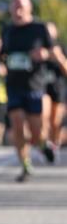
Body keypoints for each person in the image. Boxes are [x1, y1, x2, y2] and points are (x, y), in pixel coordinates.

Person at [1, 0, 61, 182]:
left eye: (21, 4)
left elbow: (54, 52)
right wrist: (1, 63)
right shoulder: (7, 30)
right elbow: (3, 55)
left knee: (36, 132)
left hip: (35, 85)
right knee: (17, 125)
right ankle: (25, 164)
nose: (17, 8)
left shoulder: (39, 28)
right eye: (14, 4)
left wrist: (45, 54)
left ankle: (43, 145)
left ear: (29, 7)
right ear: (10, 9)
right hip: (13, 85)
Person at [43, 22, 66, 154]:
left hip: (58, 89)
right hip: (42, 88)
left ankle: (54, 143)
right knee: (44, 116)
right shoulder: (39, 48)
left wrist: (60, 58)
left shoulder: (61, 48)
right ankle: (46, 143)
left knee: (55, 120)